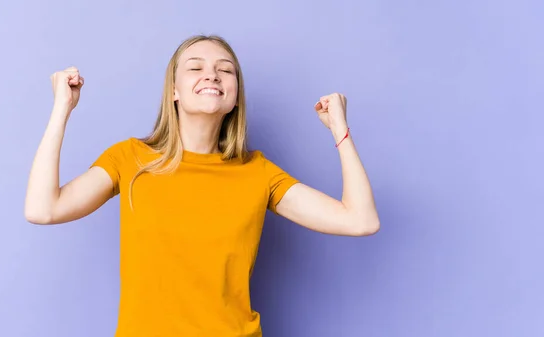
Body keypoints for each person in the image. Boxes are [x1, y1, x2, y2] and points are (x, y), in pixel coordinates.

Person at [24, 34, 380, 337]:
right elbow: (43, 209)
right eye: (195, 67)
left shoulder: (258, 173)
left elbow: (360, 220)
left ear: (236, 95)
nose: (212, 74)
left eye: (225, 69)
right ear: (174, 91)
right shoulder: (130, 159)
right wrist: (62, 109)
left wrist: (339, 130)